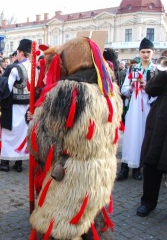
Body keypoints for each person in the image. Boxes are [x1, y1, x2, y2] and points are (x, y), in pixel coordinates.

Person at [27, 36, 122, 239]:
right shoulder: (110, 90)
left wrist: (36, 118)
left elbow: (43, 145)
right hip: (101, 175)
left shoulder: (68, 91)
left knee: (61, 230)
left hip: (72, 180)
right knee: (89, 224)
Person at [118, 38, 156, 181]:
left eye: (148, 52)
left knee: (143, 136)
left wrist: (147, 87)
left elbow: (158, 93)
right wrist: (132, 86)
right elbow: (124, 89)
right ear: (139, 53)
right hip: (133, 107)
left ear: (152, 53)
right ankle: (124, 167)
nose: (145, 54)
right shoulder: (133, 69)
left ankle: (137, 168)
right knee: (129, 136)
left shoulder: (156, 70)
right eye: (143, 52)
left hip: (147, 107)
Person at [136, 56, 167, 217]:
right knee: (152, 163)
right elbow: (150, 89)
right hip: (159, 124)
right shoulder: (164, 73)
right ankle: (147, 202)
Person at [0, 39, 32, 172]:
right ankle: (18, 163)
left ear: (20, 52)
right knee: (23, 134)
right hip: (28, 107)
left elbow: (7, 88)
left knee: (8, 133)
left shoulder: (15, 68)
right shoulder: (35, 68)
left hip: (13, 107)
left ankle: (5, 163)